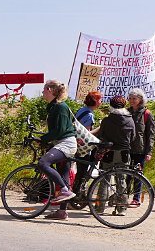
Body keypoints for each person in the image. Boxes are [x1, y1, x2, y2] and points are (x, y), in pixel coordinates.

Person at [48, 91, 102, 219]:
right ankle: (75, 197)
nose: (101, 102)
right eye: (99, 100)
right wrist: (100, 128)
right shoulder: (89, 115)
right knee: (81, 173)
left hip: (73, 145)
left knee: (72, 172)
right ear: (95, 101)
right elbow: (87, 134)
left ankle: (69, 200)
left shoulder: (81, 110)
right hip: (82, 148)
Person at [90, 96, 135, 216]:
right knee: (122, 180)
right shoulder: (130, 120)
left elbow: (101, 135)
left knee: (104, 179)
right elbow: (133, 137)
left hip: (108, 153)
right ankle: (122, 208)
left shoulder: (107, 120)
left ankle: (100, 207)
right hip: (124, 153)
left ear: (111, 106)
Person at [36, 79, 77, 208]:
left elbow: (60, 130)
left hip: (66, 144)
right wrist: (47, 140)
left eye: (44, 89)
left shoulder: (60, 106)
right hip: (61, 143)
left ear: (51, 90)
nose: (42, 92)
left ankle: (64, 190)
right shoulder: (55, 106)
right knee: (64, 175)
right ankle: (62, 211)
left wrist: (44, 139)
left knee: (43, 163)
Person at [127, 88, 155, 208]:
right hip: (127, 148)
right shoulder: (126, 112)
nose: (132, 101)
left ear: (140, 99)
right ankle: (123, 196)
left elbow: (150, 135)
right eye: (130, 98)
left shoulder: (147, 114)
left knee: (137, 174)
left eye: (134, 98)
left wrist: (149, 151)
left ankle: (136, 198)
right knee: (125, 174)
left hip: (140, 149)